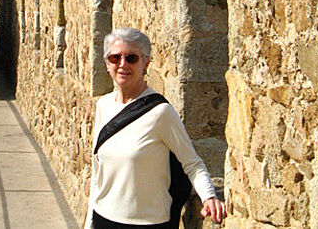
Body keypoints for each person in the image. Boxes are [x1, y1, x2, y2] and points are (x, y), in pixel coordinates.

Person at [85, 28, 226, 228]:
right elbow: (97, 173)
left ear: (146, 63)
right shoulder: (104, 106)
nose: (123, 64)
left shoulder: (161, 113)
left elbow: (193, 164)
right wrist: (89, 222)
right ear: (107, 63)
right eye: (115, 58)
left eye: (131, 58)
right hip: (103, 219)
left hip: (148, 223)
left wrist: (209, 197)